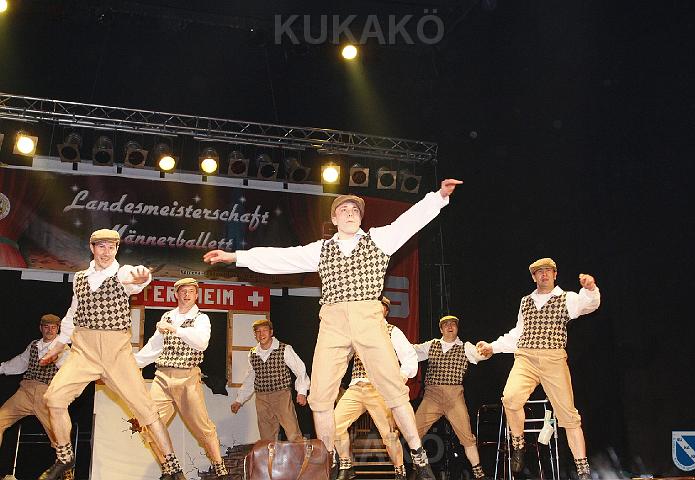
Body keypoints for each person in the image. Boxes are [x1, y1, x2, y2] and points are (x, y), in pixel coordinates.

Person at [204, 178, 463, 480]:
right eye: (344, 210)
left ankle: (418, 456)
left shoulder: (379, 239)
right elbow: (282, 257)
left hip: (368, 316)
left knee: (394, 389)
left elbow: (409, 222)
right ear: (335, 219)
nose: (350, 213)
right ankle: (326, 462)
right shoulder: (321, 250)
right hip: (333, 320)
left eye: (355, 210)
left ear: (361, 218)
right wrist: (237, 257)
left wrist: (438, 197)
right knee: (320, 397)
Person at [39, 229, 186, 480]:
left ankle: (173, 468)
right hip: (84, 351)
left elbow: (135, 279)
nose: (106, 252)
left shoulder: (121, 273)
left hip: (116, 353)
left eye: (111, 247)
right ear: (92, 248)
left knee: (146, 410)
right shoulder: (79, 278)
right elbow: (73, 313)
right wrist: (58, 345)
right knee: (53, 398)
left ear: (117, 249)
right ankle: (64, 458)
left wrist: (142, 277)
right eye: (101, 247)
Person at [476, 258, 600, 480]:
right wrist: (493, 347)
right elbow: (518, 333)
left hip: (553, 359)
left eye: (548, 271)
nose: (544, 274)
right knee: (510, 398)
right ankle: (518, 444)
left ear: (555, 274)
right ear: (534, 277)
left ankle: (583, 469)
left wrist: (590, 289)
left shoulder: (566, 298)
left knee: (569, 416)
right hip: (526, 358)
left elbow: (589, 304)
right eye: (539, 272)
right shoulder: (526, 301)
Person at [134, 278, 228, 478]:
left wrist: (175, 329)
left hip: (187, 378)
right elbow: (154, 347)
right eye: (183, 291)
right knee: (148, 425)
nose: (186, 294)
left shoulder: (201, 319)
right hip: (162, 377)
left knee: (203, 428)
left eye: (191, 291)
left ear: (196, 295)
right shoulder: (167, 317)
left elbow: (201, 342)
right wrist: (131, 364)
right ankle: (170, 470)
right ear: (176, 294)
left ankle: (220, 469)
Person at [334, 296, 418, 480]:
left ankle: (400, 471)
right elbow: (343, 357)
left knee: (389, 434)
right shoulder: (358, 332)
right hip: (356, 387)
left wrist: (401, 377)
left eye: (378, 307)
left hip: (379, 389)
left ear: (385, 311)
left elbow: (410, 356)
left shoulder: (392, 331)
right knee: (334, 425)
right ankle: (346, 466)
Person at [414, 315, 489, 480]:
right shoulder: (432, 345)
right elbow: (410, 351)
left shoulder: (465, 347)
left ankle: (479, 474)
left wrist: (486, 350)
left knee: (467, 437)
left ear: (457, 328)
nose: (450, 326)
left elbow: (481, 355)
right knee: (413, 431)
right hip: (432, 396)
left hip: (454, 397)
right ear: (441, 329)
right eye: (446, 324)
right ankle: (421, 467)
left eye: (453, 324)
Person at [0, 314, 70, 477]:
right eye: (46, 327)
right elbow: (20, 362)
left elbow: (68, 368)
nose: (50, 330)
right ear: (41, 328)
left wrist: (56, 358)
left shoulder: (63, 348)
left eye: (53, 327)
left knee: (58, 436)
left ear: (58, 329)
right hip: (25, 392)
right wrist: (1, 368)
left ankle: (67, 471)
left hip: (45, 394)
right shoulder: (34, 345)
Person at [231, 318, 309, 443]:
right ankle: (270, 456)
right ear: (255, 335)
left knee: (292, 432)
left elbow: (300, 369)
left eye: (264, 330)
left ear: (271, 332)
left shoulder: (284, 349)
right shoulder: (253, 353)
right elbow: (250, 378)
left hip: (281, 395)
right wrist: (239, 400)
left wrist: (302, 392)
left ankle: (300, 454)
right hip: (262, 398)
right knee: (267, 436)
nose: (261, 334)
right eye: (258, 331)